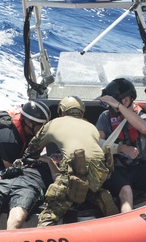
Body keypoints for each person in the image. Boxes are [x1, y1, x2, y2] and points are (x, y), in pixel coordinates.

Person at [23, 96, 113, 227]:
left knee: (54, 206)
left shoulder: (53, 123)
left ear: (62, 111)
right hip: (101, 170)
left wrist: (36, 158)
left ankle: (43, 232)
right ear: (81, 111)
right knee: (84, 186)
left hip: (76, 168)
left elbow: (32, 149)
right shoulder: (91, 126)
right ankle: (97, 195)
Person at [96, 78, 146, 212]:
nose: (111, 108)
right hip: (113, 169)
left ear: (126, 100)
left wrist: (119, 108)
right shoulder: (105, 117)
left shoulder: (143, 117)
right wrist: (120, 148)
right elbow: (97, 142)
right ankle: (128, 230)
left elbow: (145, 128)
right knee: (127, 192)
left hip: (135, 167)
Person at [0, 100, 51, 184]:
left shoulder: (27, 129)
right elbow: (11, 170)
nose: (44, 129)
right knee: (13, 183)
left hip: (9, 158)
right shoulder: (10, 141)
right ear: (29, 123)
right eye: (41, 125)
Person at [0, 159, 54, 230]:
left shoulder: (53, 166)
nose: (56, 156)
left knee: (16, 220)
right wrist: (7, 172)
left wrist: (50, 161)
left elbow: (59, 178)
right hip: (5, 183)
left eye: (58, 156)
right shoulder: (24, 162)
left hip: (29, 187)